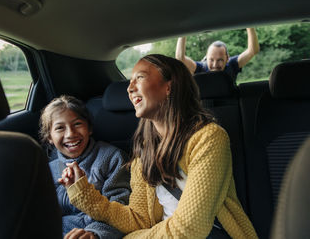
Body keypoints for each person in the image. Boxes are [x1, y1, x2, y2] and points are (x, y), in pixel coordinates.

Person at [59, 55, 258, 238]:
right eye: (130, 82)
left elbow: (189, 228)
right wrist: (83, 192)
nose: (130, 88)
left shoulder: (209, 138)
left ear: (168, 87)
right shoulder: (145, 150)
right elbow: (138, 219)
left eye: (140, 77)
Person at [39, 95, 131, 239]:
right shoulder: (47, 169)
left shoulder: (112, 158)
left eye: (77, 124)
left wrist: (94, 233)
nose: (70, 134)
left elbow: (121, 209)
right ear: (49, 137)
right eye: (60, 128)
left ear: (89, 128)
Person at [175, 28, 260, 81]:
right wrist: (184, 30)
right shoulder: (200, 68)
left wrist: (249, 26)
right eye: (211, 60)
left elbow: (253, 50)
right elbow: (180, 58)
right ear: (206, 58)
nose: (215, 65)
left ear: (227, 58)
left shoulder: (232, 65)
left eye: (220, 60)